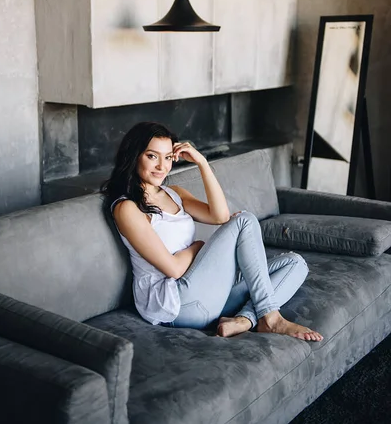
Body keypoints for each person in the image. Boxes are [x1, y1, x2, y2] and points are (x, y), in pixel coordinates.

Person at [101, 122, 323, 341]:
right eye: (152, 156)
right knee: (244, 220)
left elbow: (220, 216)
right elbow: (174, 269)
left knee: (295, 263)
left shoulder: (174, 193)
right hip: (176, 304)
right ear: (134, 156)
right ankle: (271, 318)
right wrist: (199, 246)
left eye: (168, 157)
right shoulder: (127, 208)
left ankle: (245, 320)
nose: (162, 166)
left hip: (204, 291)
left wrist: (202, 163)